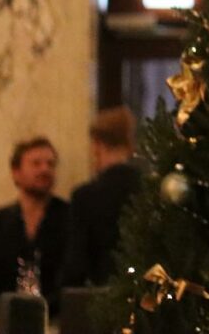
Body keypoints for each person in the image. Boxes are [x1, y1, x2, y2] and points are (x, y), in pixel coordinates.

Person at [0, 137, 69, 324]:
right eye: (36, 163)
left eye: (50, 164)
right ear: (16, 172)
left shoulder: (70, 217)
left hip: (55, 320)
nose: (45, 169)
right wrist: (0, 316)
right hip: (2, 322)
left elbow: (72, 277)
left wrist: (41, 314)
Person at [62, 106, 144, 287]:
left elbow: (76, 265)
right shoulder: (148, 188)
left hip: (103, 297)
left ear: (97, 145)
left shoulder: (85, 196)